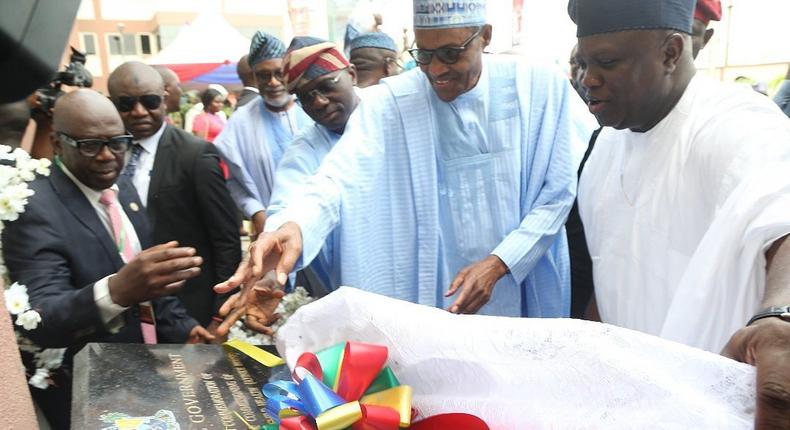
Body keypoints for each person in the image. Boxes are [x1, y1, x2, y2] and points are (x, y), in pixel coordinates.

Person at [216, 0, 595, 321]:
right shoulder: (391, 103)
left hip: (527, 282)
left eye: (450, 53)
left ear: (485, 36)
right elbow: (337, 179)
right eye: (424, 55)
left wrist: (501, 263)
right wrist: (295, 226)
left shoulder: (538, 86)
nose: (435, 70)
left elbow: (560, 190)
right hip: (437, 296)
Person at [568, 0, 790, 427]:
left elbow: (782, 208)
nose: (587, 79)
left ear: (671, 52)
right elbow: (609, 270)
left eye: (607, 62)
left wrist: (781, 316)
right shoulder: (606, 145)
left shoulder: (735, 123)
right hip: (636, 401)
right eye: (581, 63)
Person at [1, 89, 213, 429]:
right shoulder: (33, 208)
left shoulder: (121, 186)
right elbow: (42, 319)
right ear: (57, 143)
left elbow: (149, 281)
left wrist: (186, 329)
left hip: (152, 374)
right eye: (89, 145)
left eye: (118, 142)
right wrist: (117, 291)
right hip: (93, 391)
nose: (107, 156)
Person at [216, 38, 363, 332]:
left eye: (327, 85)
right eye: (306, 96)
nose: (318, 102)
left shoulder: (394, 114)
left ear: (352, 75)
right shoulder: (306, 145)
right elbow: (290, 205)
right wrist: (269, 273)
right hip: (341, 279)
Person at [107, 62, 241, 328]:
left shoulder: (195, 154)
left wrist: (219, 313)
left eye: (150, 101)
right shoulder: (105, 154)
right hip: (125, 310)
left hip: (191, 309)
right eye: (126, 104)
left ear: (165, 100)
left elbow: (226, 238)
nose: (139, 112)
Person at [214, 31, 312, 237]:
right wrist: (255, 211)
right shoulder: (240, 124)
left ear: (288, 71)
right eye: (264, 75)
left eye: (278, 73)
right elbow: (234, 182)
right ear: (254, 78)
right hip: (271, 230)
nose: (273, 82)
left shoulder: (313, 109)